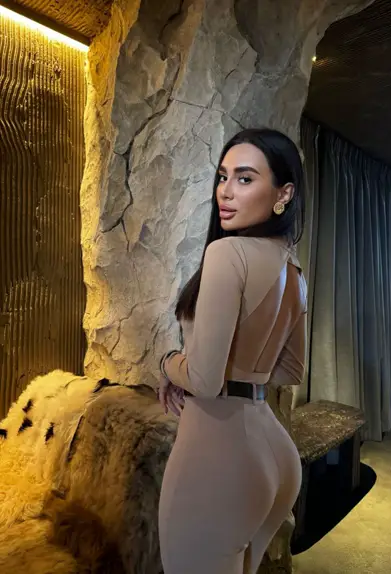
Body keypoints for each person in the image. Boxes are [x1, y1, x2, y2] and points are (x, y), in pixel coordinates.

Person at [158, 128, 307, 574]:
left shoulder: (227, 253)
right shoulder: (293, 268)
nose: (225, 191)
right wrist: (241, 372)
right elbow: (290, 371)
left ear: (284, 194)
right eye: (223, 177)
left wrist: (167, 364)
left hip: (220, 453)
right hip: (276, 455)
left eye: (245, 178)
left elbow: (204, 380)